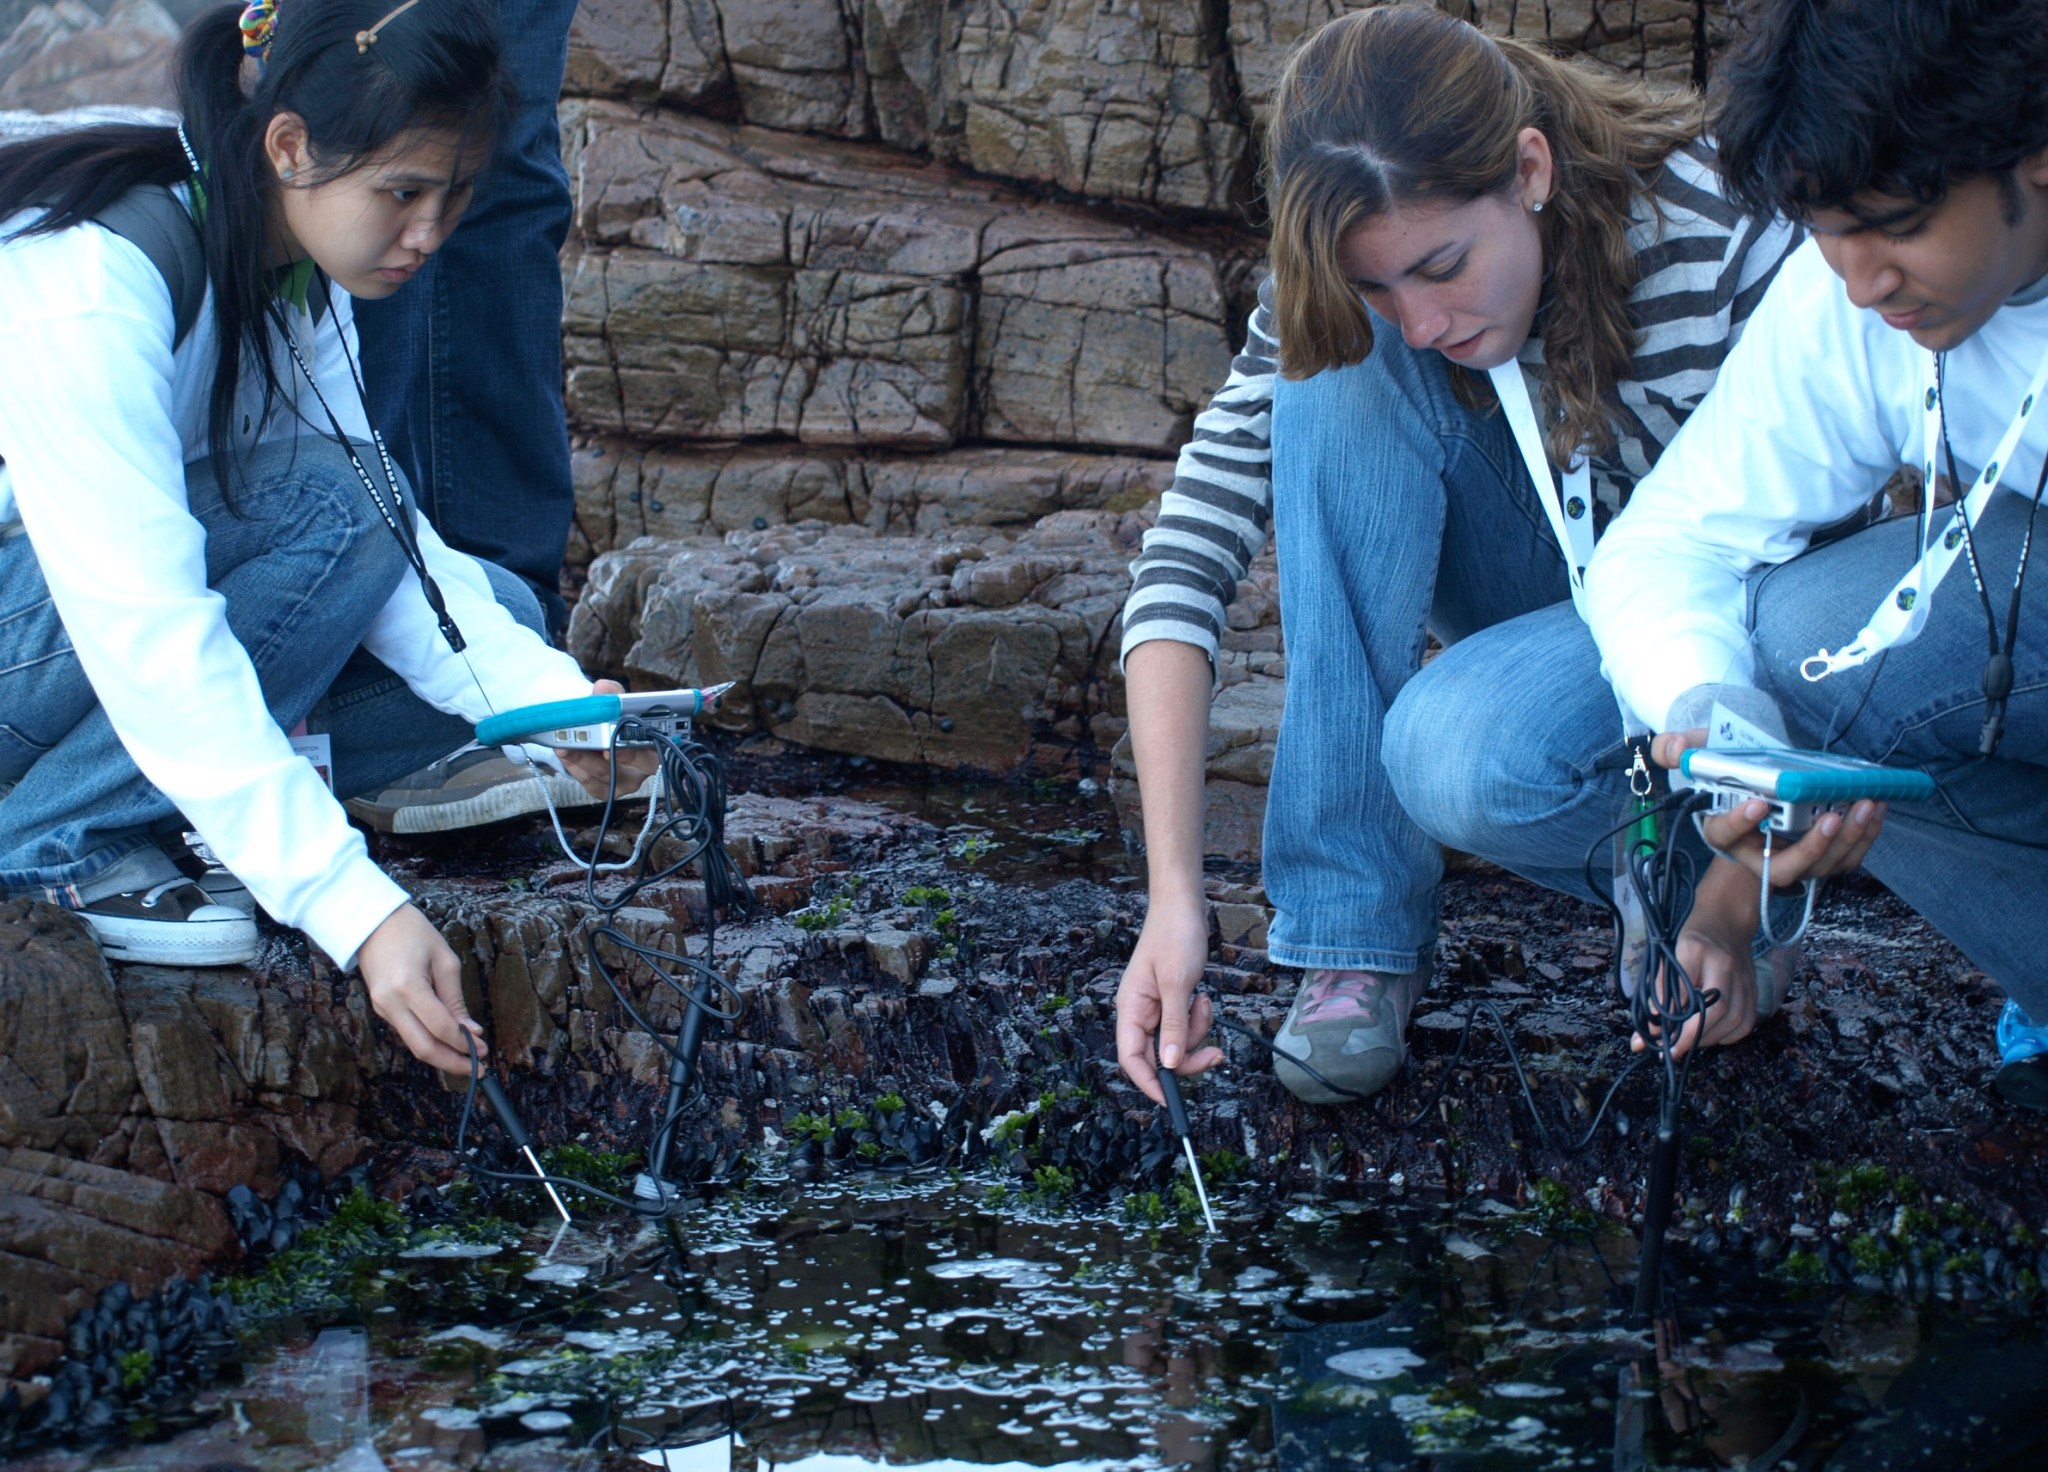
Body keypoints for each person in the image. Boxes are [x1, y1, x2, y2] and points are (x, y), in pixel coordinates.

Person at [1112, 4, 1799, 1107]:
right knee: (1336, 360)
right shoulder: (1381, 306)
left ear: (1527, 167)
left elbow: (1808, 590)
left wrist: (1729, 892)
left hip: (1722, 640)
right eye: (1381, 281)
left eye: (1441, 266)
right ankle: (1353, 931)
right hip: (1554, 611)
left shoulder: (1715, 223)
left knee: (1468, 750)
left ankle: (1693, 861)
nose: (1421, 319)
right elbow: (1182, 563)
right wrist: (1173, 900)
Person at [1380, 0, 2048, 1109]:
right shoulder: (1855, 300)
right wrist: (1717, 734)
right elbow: (1670, 542)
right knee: (1788, 655)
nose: (1857, 278)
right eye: (1826, 230)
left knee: (1815, 643)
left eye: (1892, 224)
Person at [0, 0, 651, 1074]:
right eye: (401, 192)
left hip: (62, 648)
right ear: (291, 146)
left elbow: (394, 555)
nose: (429, 234)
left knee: (497, 607)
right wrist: (355, 910)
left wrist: (560, 712)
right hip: (66, 635)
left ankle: (176, 798)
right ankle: (48, 840)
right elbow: (149, 626)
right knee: (331, 506)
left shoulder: (295, 251)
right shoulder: (89, 285)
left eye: (454, 196)